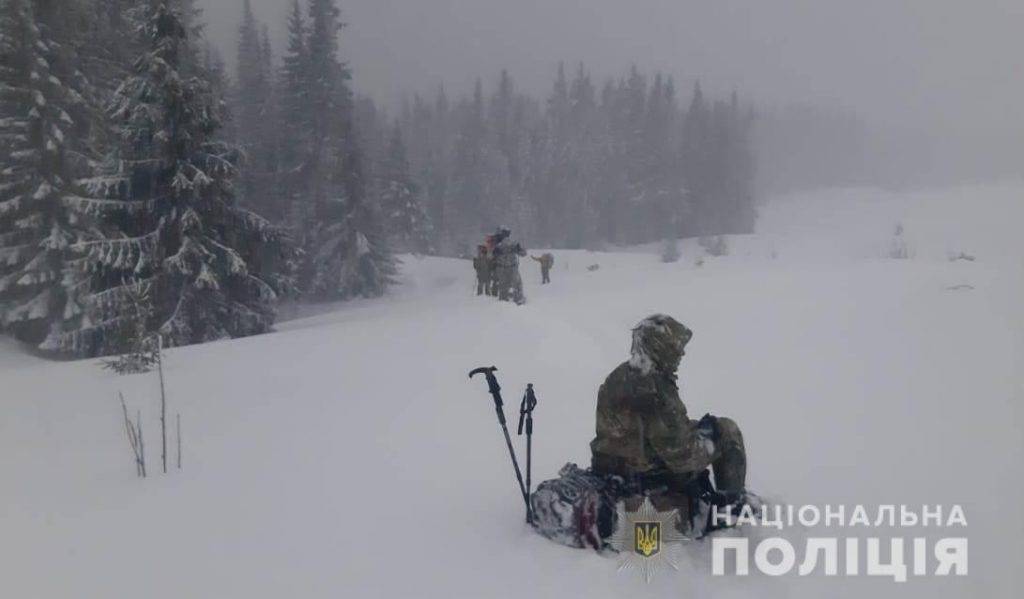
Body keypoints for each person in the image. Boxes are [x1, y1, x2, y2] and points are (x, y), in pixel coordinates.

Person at [590, 315, 747, 530]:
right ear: (659, 348)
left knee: (706, 430)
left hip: (614, 468)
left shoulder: (621, 375)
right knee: (727, 430)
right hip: (646, 475)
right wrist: (712, 436)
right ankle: (731, 511)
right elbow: (682, 457)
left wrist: (691, 429)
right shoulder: (655, 390)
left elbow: (648, 429)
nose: (681, 353)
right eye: (675, 348)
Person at [491, 227, 527, 304]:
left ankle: (503, 300)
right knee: (516, 283)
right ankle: (518, 299)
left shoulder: (498, 245)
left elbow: (493, 256)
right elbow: (523, 253)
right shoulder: (514, 243)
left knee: (503, 285)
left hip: (502, 268)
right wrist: (518, 249)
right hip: (512, 268)